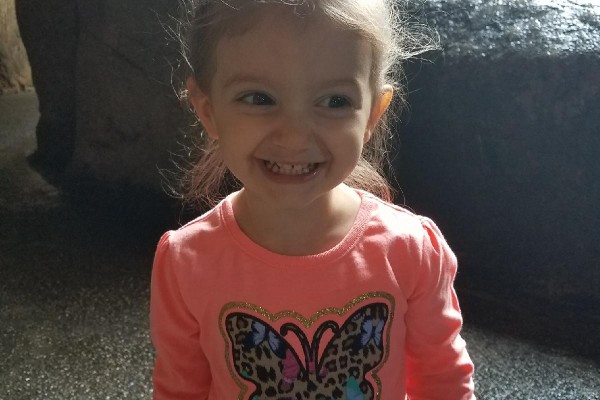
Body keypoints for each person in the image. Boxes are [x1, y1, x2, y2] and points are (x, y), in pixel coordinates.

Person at [150, 0, 475, 399]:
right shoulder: (187, 263)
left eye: (335, 101)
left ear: (372, 115)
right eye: (259, 98)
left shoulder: (409, 252)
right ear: (208, 110)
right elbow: (180, 390)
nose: (295, 136)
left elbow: (444, 382)